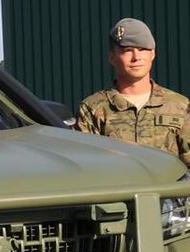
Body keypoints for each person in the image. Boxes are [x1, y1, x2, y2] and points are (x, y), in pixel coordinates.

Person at [76, 17, 190, 166]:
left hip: (167, 188)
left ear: (152, 54)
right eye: (127, 51)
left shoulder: (178, 106)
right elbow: (86, 165)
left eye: (143, 50)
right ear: (112, 58)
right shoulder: (93, 108)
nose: (136, 58)